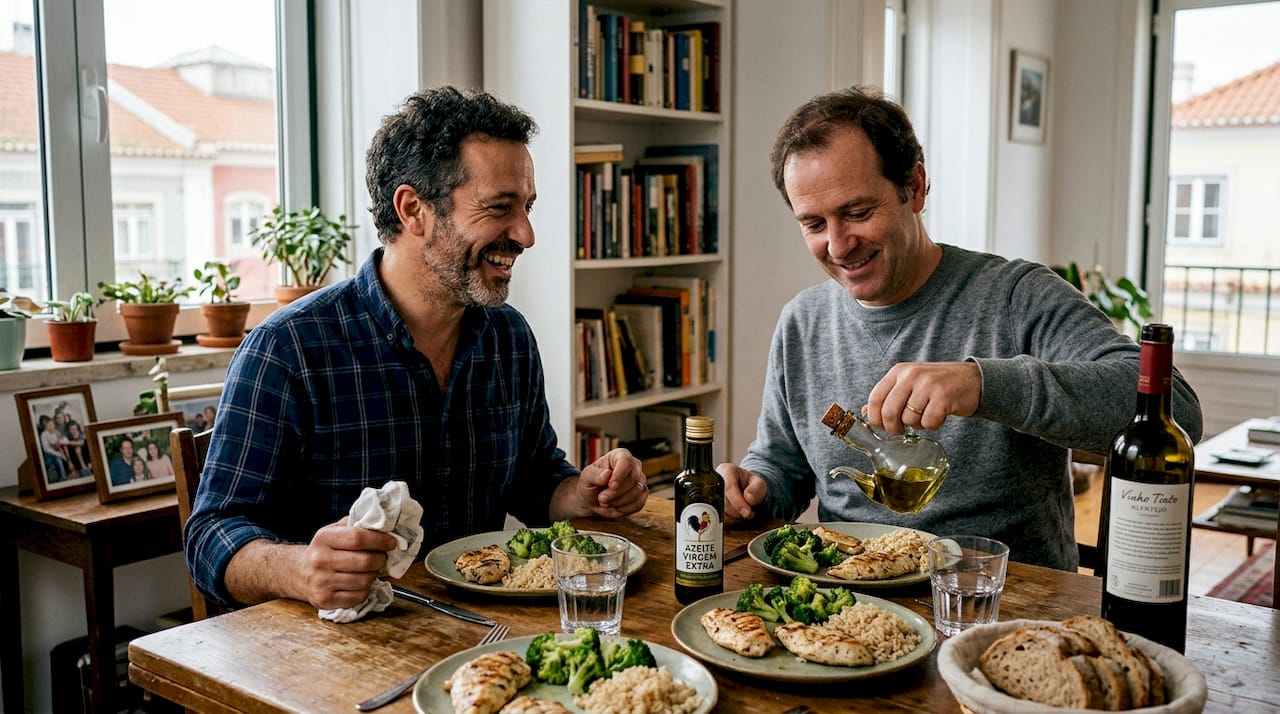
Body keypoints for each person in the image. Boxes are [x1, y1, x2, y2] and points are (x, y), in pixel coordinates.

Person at [186, 86, 648, 612]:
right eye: (500, 208)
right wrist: (299, 570)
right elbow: (209, 537)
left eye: (527, 207)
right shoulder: (288, 350)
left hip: (478, 636)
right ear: (414, 210)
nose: (525, 233)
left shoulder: (509, 338)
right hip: (332, 654)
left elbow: (535, 478)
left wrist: (581, 493)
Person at [717, 87, 1204, 570]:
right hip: (850, 607)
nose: (838, 245)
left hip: (1005, 608)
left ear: (915, 188)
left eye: (858, 213)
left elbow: (1177, 410)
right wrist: (753, 490)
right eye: (814, 224)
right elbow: (783, 468)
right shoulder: (801, 322)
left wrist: (983, 383)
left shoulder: (1016, 295)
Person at [37, 414, 69, 483]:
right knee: (50, 463)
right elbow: (46, 449)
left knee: (59, 460)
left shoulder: (55, 432)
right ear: (45, 427)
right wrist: (58, 453)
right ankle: (52, 477)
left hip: (55, 452)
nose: (52, 426)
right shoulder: (43, 434)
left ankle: (63, 477)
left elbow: (59, 443)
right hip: (48, 454)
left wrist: (59, 443)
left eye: (52, 424)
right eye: (49, 425)